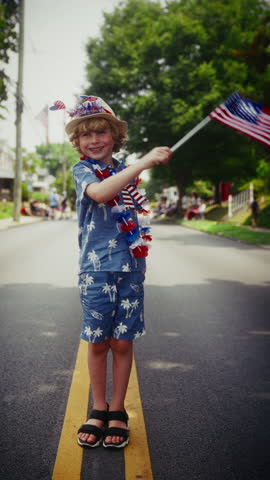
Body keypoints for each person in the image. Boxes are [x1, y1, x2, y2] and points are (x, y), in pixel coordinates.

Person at [62, 95, 172, 449]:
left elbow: (136, 211)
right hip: (96, 269)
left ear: (115, 135)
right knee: (98, 341)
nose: (93, 140)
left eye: (100, 131)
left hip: (130, 267)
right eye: (85, 135)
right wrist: (143, 163)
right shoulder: (84, 171)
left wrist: (139, 166)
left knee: (122, 341)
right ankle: (97, 408)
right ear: (77, 142)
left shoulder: (126, 170)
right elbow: (100, 193)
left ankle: (118, 410)